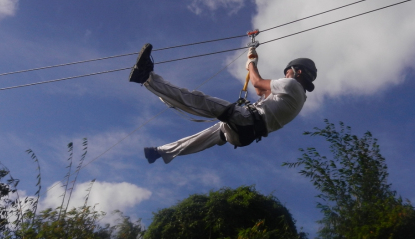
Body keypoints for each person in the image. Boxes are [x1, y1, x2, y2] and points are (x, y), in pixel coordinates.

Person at [129, 43, 316, 164]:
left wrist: (251, 63)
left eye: (288, 71)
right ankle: (160, 152)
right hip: (244, 135)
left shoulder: (292, 85)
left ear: (297, 72)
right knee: (200, 139)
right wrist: (252, 63)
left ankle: (147, 77)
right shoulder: (298, 98)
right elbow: (260, 91)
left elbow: (258, 83)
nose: (286, 75)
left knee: (197, 100)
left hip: (245, 120)